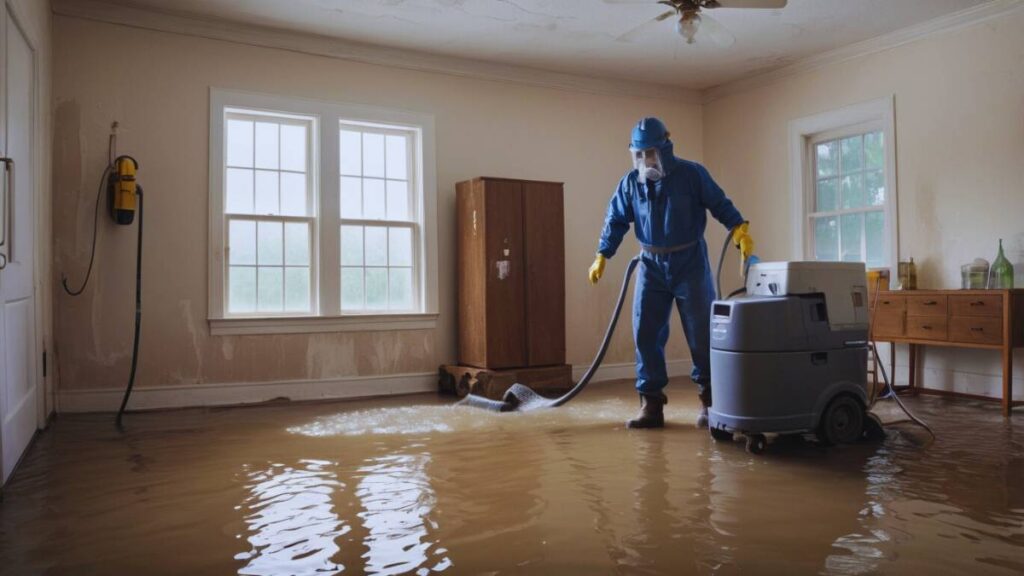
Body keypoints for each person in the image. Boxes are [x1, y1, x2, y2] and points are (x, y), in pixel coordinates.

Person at [589, 117, 754, 429]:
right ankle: (651, 404)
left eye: (649, 154)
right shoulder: (630, 184)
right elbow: (616, 219)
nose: (644, 161)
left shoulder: (691, 175)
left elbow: (719, 203)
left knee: (700, 331)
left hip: (689, 262)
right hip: (650, 263)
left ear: (665, 149)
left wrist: (739, 230)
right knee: (645, 331)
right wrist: (602, 254)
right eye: (638, 155)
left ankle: (709, 401)